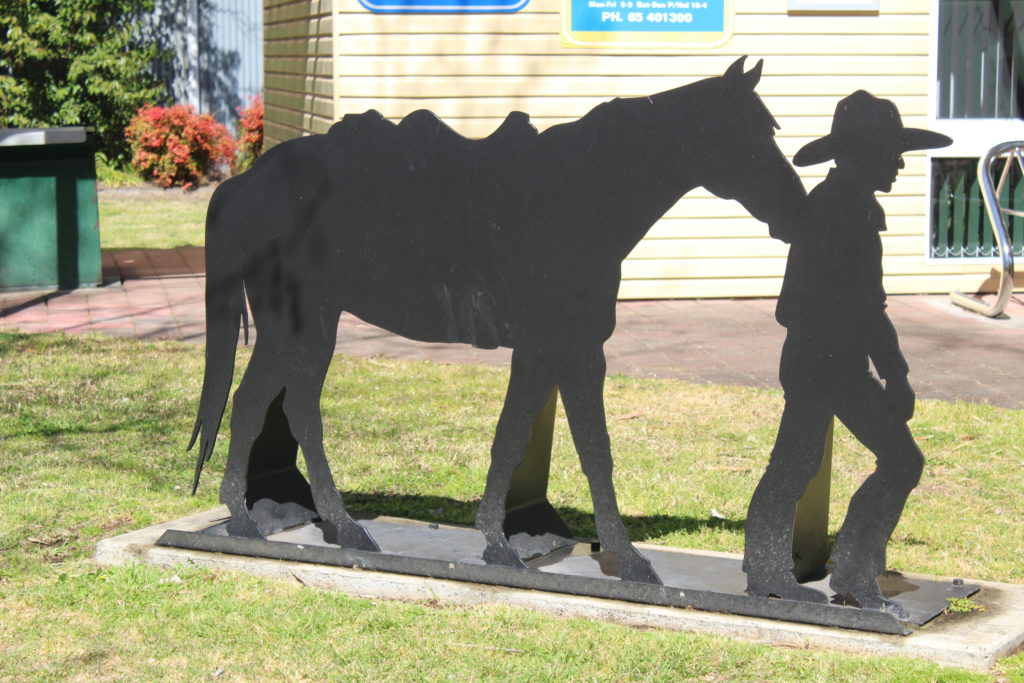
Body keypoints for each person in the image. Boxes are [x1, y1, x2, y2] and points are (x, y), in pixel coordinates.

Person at [743, 91, 952, 614]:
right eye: (890, 152)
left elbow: (866, 306)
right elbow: (861, 307)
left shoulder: (852, 204)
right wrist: (896, 375)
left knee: (891, 460)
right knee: (802, 465)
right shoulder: (838, 209)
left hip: (838, 361)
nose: (899, 163)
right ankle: (783, 571)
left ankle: (851, 570)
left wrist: (888, 371)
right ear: (863, 154)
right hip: (820, 361)